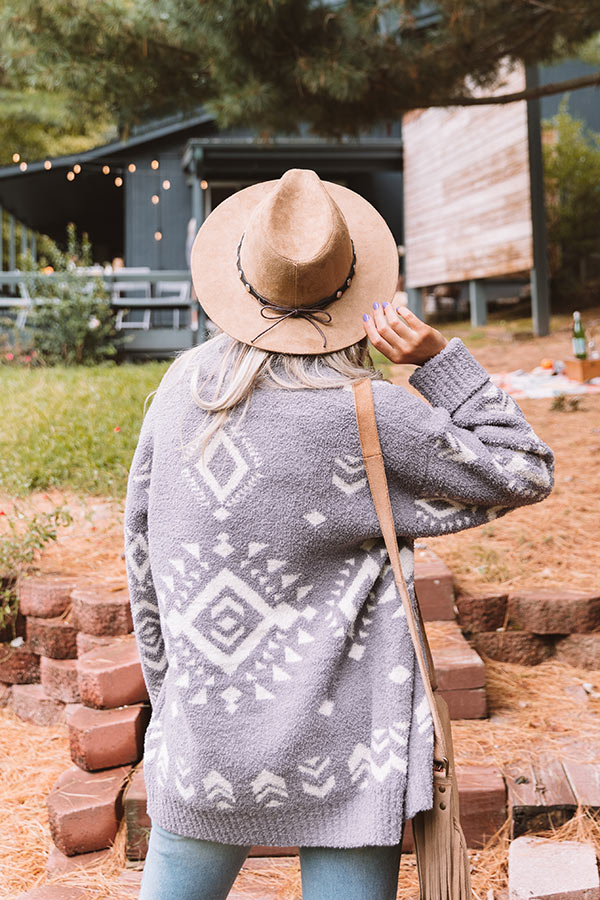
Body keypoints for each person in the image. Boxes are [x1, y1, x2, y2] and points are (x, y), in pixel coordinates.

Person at [125, 169, 555, 900]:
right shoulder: (371, 415)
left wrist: (173, 703)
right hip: (350, 750)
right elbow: (524, 466)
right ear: (356, 293)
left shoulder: (181, 391)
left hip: (204, 741)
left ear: (242, 278)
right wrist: (439, 362)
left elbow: (141, 559)